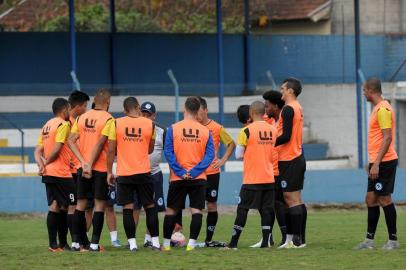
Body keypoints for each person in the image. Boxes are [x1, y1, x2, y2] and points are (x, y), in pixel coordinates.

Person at [106, 97, 160, 252]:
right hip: (143, 171)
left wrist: (109, 171)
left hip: (124, 173)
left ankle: (133, 244)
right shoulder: (150, 124)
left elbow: (111, 150)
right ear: (137, 107)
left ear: (124, 110)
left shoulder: (116, 123)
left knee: (128, 209)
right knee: (150, 206)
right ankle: (155, 243)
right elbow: (150, 149)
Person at [162, 97, 215, 251]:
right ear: (198, 110)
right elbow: (209, 155)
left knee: (171, 210)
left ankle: (166, 246)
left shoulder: (173, 128)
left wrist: (180, 171)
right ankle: (191, 245)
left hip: (178, 177)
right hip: (198, 178)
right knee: (196, 210)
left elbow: (168, 152)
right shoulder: (206, 131)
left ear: (184, 110)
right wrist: (194, 172)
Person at [225, 101, 277, 249]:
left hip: (252, 178)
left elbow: (238, 155)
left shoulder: (246, 131)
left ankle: (233, 244)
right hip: (269, 177)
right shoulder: (273, 129)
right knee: (267, 209)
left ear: (252, 112)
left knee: (243, 209)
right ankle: (266, 242)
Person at [68, 89, 114, 252]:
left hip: (82, 168)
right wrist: (93, 165)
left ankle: (75, 243)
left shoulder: (81, 118)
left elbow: (71, 140)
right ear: (108, 103)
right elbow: (103, 145)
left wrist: (83, 162)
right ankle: (94, 244)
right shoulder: (109, 119)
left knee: (80, 205)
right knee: (99, 205)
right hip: (99, 169)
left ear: (94, 101)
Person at [356, 77, 399, 250]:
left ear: (371, 91)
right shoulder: (377, 108)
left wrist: (377, 163)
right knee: (370, 199)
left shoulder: (383, 109)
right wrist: (372, 161)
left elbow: (387, 137)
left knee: (384, 198)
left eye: (364, 90)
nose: (363, 93)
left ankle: (393, 240)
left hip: (385, 162)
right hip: (378, 161)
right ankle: (369, 241)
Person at [34, 98, 74, 252]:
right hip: (61, 173)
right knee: (72, 204)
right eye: (69, 110)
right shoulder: (62, 124)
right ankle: (67, 243)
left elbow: (37, 150)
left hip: (49, 173)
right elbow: (57, 149)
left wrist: (41, 164)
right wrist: (47, 163)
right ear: (64, 110)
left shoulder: (46, 126)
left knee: (56, 205)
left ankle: (54, 245)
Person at [196, 96, 235, 247]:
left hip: (212, 173)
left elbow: (231, 143)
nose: (197, 115)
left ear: (206, 110)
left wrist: (223, 160)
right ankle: (191, 239)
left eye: (199, 111)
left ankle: (208, 239)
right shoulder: (192, 127)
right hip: (196, 173)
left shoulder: (217, 128)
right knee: (196, 206)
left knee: (211, 206)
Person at [251, 90, 287, 248]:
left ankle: (287, 237)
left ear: (275, 106)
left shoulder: (283, 121)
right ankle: (268, 238)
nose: (265, 109)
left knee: (279, 204)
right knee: (266, 205)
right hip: (267, 169)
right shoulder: (268, 122)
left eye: (267, 106)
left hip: (279, 168)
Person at [276, 78, 307, 249]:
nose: (281, 91)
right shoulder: (298, 107)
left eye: (283, 88)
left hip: (290, 158)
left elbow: (286, 136)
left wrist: (269, 143)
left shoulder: (289, 108)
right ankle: (294, 239)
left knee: (291, 198)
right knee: (294, 199)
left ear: (290, 91)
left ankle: (296, 240)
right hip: (295, 157)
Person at [139, 101, 167, 248]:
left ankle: (148, 239)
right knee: (135, 207)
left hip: (155, 174)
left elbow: (168, 152)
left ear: (154, 116)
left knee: (153, 208)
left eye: (148, 114)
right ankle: (131, 241)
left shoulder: (163, 130)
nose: (145, 116)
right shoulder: (136, 128)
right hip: (137, 173)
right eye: (143, 113)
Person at [67, 90, 90, 248]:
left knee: (77, 206)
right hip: (73, 170)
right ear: (79, 106)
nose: (87, 109)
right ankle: (78, 242)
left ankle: (81, 242)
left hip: (77, 168)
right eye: (85, 105)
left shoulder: (78, 121)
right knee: (75, 206)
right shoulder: (68, 123)